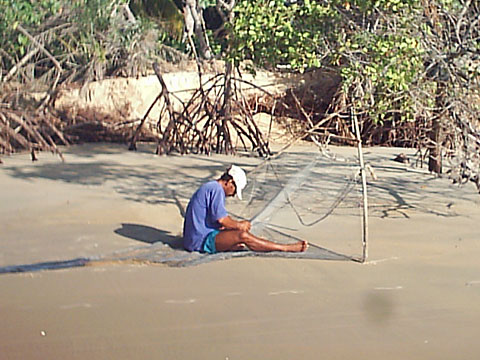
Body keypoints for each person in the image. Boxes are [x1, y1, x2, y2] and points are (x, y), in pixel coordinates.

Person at [183, 165, 308, 254]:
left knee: (239, 239)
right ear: (229, 182)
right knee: (242, 235)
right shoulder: (216, 189)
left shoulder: (211, 187)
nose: (232, 195)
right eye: (234, 191)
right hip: (200, 241)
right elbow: (222, 220)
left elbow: (215, 220)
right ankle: (285, 248)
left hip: (195, 238)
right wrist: (239, 225)